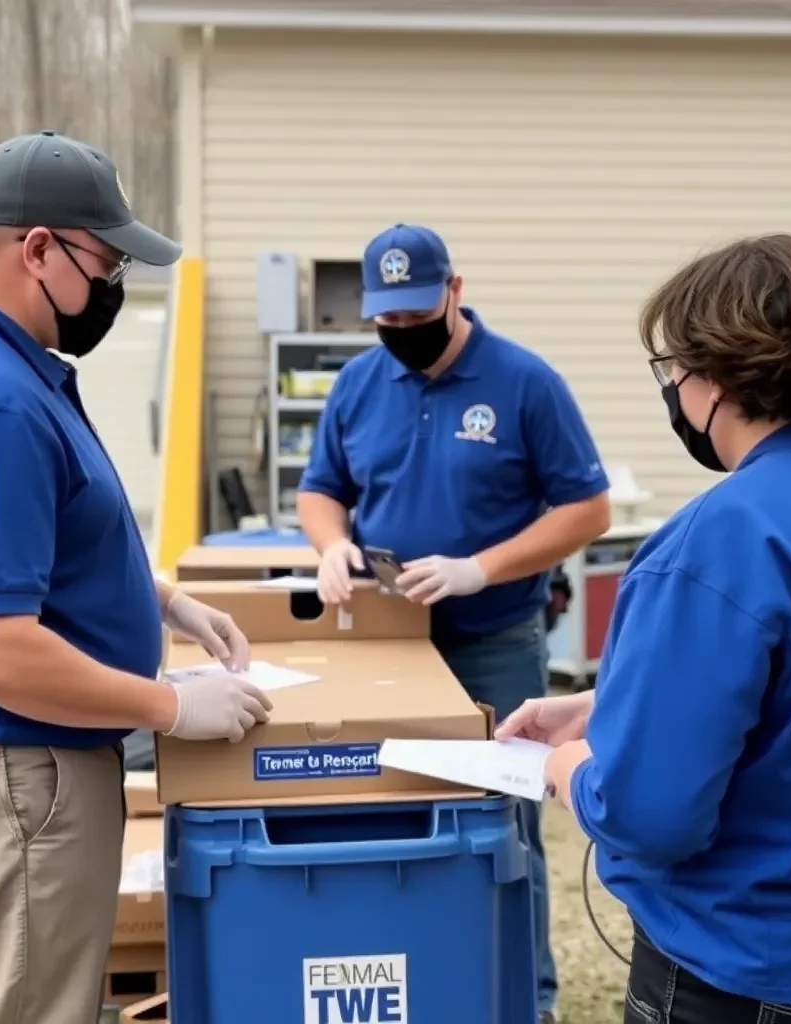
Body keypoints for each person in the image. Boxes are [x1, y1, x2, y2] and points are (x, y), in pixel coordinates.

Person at [498, 233, 791, 1024]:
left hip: (742, 964)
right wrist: (615, 702)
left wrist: (568, 766)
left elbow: (650, 815)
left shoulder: (721, 541)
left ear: (717, 376)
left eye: (670, 370)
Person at [0, 131, 272, 1024]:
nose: (113, 289)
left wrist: (158, 599)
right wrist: (169, 707)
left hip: (0, 770)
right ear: (38, 247)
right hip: (9, 778)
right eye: (106, 265)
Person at [297, 222, 611, 1023]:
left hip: (495, 637)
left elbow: (587, 508)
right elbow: (320, 489)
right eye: (387, 320)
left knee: (504, 816)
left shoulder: (524, 383)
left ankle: (526, 997)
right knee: (391, 805)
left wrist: (481, 567)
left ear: (454, 291)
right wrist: (332, 546)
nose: (402, 332)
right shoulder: (359, 386)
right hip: (390, 637)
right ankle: (427, 968)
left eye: (415, 314)